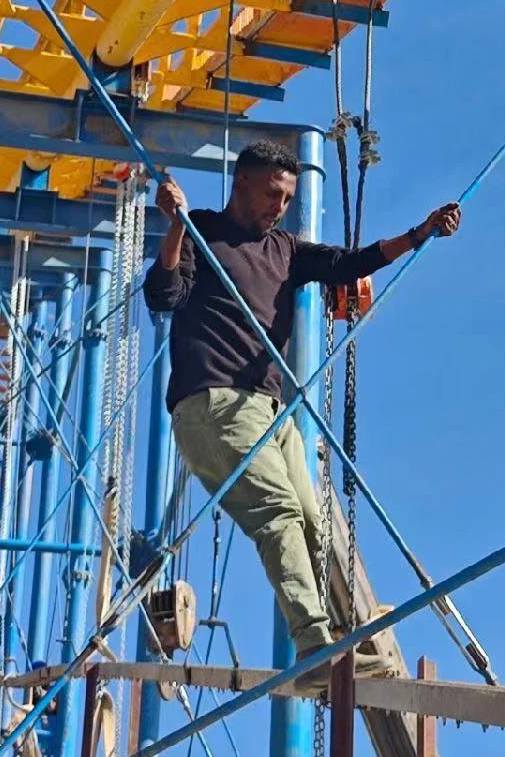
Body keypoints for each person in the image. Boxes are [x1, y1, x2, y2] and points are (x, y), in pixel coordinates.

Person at [144, 140, 460, 664]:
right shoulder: (202, 230)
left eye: (287, 198)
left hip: (270, 411)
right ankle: (314, 645)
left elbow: (348, 263)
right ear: (240, 184)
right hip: (213, 404)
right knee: (280, 512)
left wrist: (418, 233)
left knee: (313, 521)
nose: (279, 206)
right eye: (272, 193)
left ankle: (336, 638)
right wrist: (176, 226)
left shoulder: (286, 250)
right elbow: (164, 295)